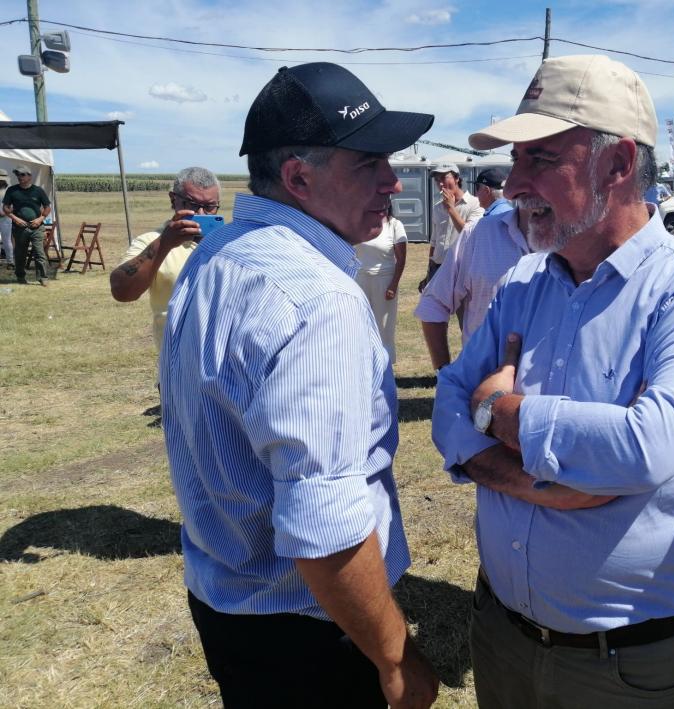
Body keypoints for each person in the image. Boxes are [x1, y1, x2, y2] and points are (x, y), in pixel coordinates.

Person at [431, 54, 674, 709]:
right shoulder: (523, 281)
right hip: (501, 635)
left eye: (539, 159)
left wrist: (495, 406)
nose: (514, 183)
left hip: (623, 666)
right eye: (516, 161)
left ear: (618, 164)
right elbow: (444, 408)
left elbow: (645, 446)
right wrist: (540, 481)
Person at [160, 62, 438, 709]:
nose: (393, 182)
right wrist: (396, 658)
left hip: (228, 601)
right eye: (369, 162)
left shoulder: (217, 253)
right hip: (309, 632)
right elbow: (326, 527)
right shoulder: (316, 298)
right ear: (297, 176)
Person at [110, 167, 221, 353]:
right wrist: (164, 243)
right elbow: (122, 291)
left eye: (210, 207)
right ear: (173, 199)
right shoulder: (151, 241)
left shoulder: (228, 243)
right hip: (177, 364)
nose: (202, 213)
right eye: (192, 204)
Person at [414, 206, 529, 370]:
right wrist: (445, 374)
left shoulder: (575, 245)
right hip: (482, 383)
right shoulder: (480, 233)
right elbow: (433, 304)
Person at [355, 204, 407, 363]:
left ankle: (386, 369)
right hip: (361, 279)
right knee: (361, 324)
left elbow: (401, 259)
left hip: (384, 281)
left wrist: (393, 285)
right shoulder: (361, 223)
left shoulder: (395, 225)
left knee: (384, 328)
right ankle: (365, 364)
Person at [419, 163, 482, 291]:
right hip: (437, 267)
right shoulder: (437, 207)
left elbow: (470, 235)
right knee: (433, 309)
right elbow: (434, 241)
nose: (440, 184)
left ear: (457, 178)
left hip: (461, 268)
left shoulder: (475, 203)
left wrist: (451, 208)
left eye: (443, 178)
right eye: (437, 180)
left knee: (463, 310)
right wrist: (429, 271)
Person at [2, 164, 51, 286]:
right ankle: (20, 277)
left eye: (23, 174)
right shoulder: (12, 190)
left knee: (39, 253)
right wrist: (15, 218)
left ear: (30, 176)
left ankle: (42, 278)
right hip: (19, 228)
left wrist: (40, 219)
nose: (20, 177)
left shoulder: (38, 191)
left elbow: (47, 207)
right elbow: (5, 207)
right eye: (18, 174)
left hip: (37, 227)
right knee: (20, 254)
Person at [0, 169, 13, 266]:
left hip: (6, 219)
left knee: (7, 240)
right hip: (5, 218)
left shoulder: (10, 191)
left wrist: (4, 213)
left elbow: (13, 206)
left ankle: (10, 261)